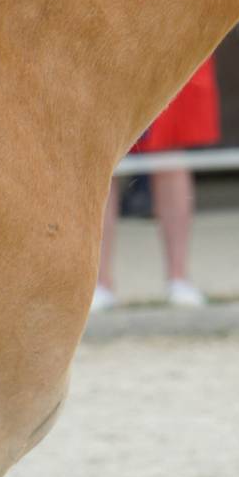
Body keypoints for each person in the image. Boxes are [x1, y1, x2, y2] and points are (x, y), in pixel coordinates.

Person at [93, 58, 219, 312]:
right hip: (112, 43)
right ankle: (99, 283)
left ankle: (179, 278)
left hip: (166, 46)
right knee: (103, 157)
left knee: (170, 151)